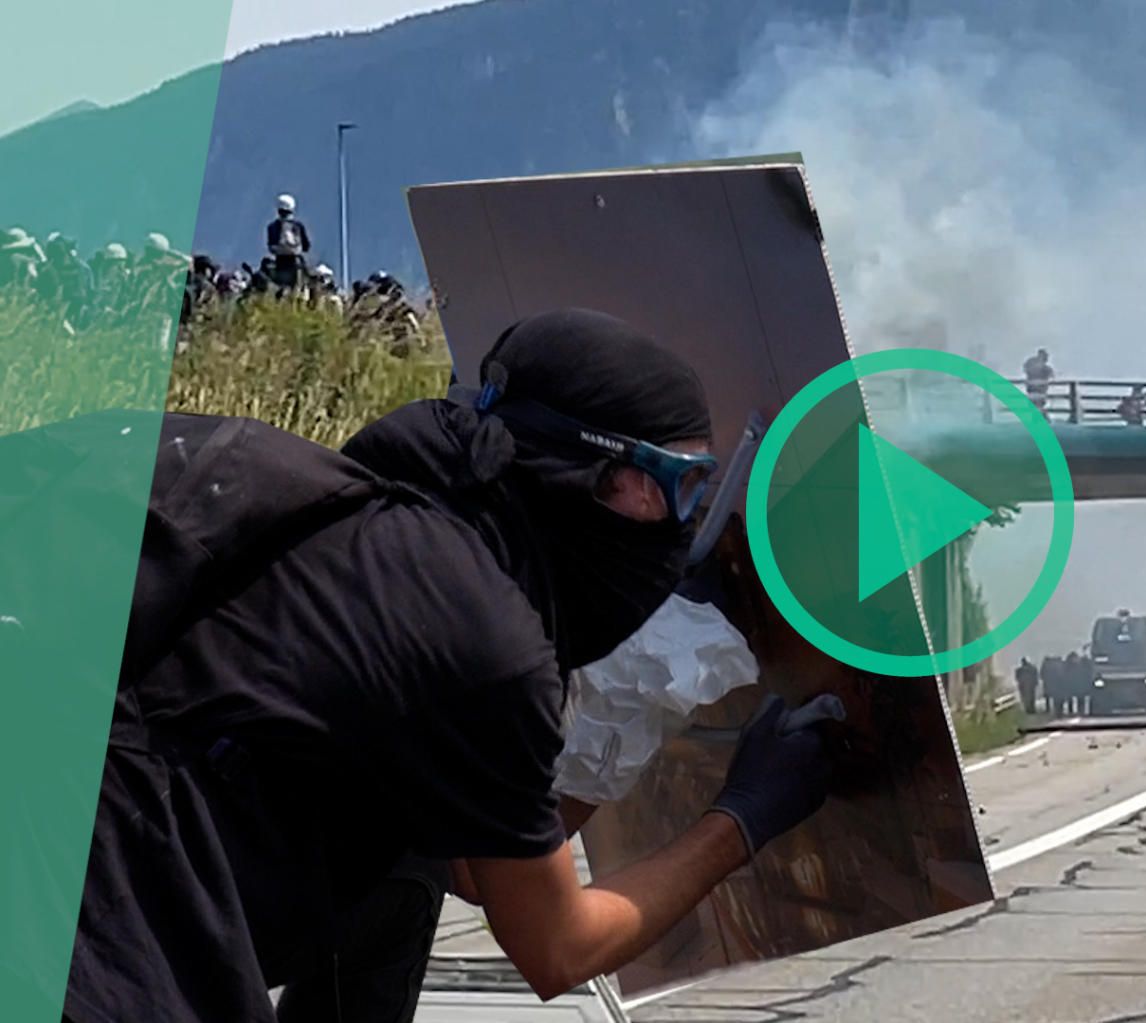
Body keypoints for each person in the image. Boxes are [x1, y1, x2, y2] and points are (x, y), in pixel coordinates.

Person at [63, 308, 839, 1023]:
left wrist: (610, 727)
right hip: (79, 941)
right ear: (612, 477)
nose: (692, 517)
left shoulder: (351, 515)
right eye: (687, 483)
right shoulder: (481, 638)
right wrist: (745, 814)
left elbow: (481, 870)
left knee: (406, 868)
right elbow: (554, 945)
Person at [267, 193, 312, 295]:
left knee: (281, 288)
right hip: (296, 262)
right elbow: (306, 246)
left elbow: (271, 246)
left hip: (280, 262)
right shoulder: (298, 226)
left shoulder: (272, 226)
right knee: (297, 290)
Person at [1022, 348, 1055, 414]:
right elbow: (1052, 375)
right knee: (1038, 405)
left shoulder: (1031, 363)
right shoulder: (1042, 366)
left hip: (1033, 389)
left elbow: (1025, 369)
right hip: (1038, 390)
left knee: (1035, 405)